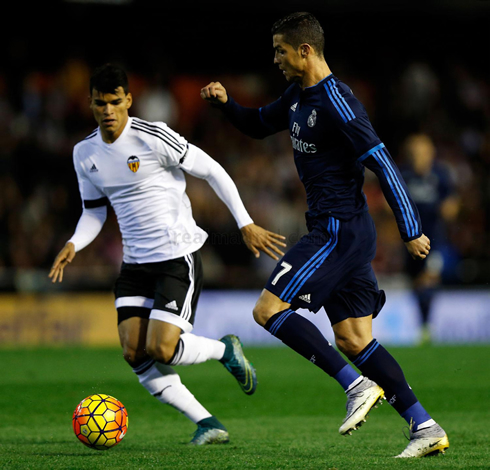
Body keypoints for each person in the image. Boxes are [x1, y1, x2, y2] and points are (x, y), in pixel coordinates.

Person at [201, 12, 449, 458]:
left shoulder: (339, 103)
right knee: (355, 339)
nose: (274, 58)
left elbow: (385, 164)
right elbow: (257, 123)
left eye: (279, 49)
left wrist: (411, 230)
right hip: (344, 232)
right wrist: (226, 104)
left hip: (338, 230)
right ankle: (424, 426)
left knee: (267, 309)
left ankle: (354, 384)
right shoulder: (298, 96)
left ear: (305, 50)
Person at [49, 63, 287, 446]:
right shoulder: (85, 153)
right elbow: (94, 211)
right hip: (134, 263)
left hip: (177, 257)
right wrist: (75, 243)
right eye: (99, 103)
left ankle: (224, 349)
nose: (107, 110)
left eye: (114, 101)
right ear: (90, 105)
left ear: (128, 100)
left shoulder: (153, 136)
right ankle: (208, 423)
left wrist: (245, 223)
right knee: (133, 352)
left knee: (161, 347)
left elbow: (213, 171)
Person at [400, 133, 459, 344]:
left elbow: (452, 203)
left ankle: (427, 327)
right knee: (416, 282)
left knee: (428, 280)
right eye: (415, 153)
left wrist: (447, 208)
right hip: (409, 241)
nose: (419, 157)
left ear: (431, 153)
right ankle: (423, 324)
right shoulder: (404, 175)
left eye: (423, 152)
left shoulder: (440, 175)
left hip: (435, 240)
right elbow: (392, 204)